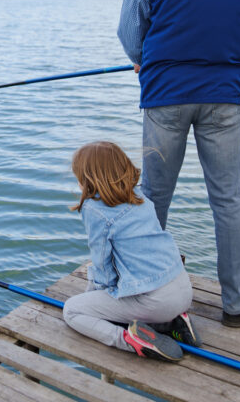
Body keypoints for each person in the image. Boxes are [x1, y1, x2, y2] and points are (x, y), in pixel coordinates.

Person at [117, 0, 240, 327]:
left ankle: (147, 293)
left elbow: (129, 33)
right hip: (224, 99)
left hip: (166, 98)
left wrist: (145, 61)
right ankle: (236, 302)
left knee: (155, 196)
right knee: (228, 199)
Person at [61, 141, 200, 362]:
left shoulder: (94, 209)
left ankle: (130, 340)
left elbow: (102, 265)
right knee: (127, 301)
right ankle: (172, 323)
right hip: (183, 291)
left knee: (72, 310)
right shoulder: (140, 196)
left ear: (86, 180)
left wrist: (95, 298)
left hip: (156, 303)